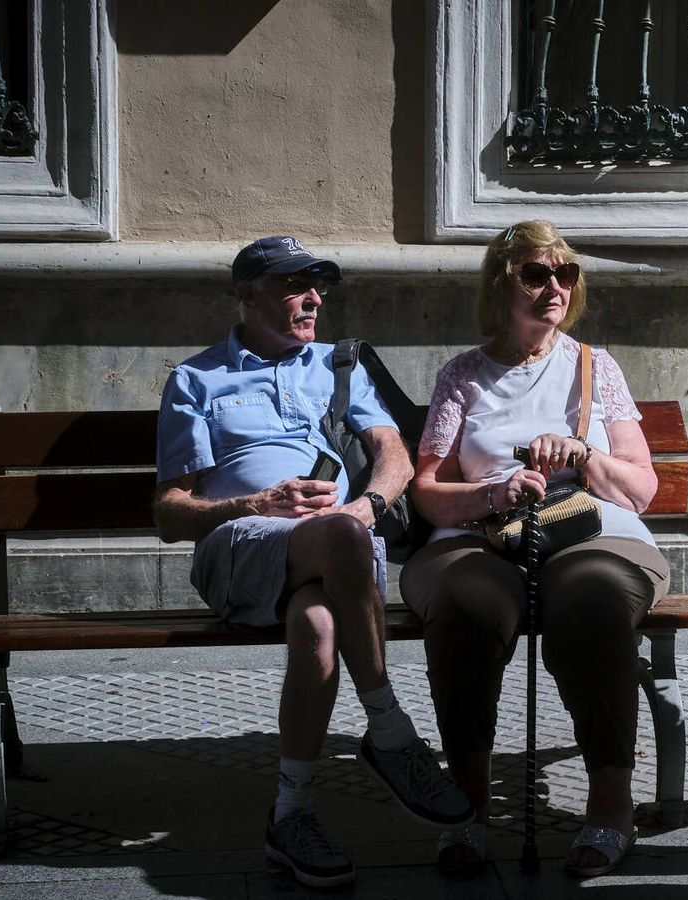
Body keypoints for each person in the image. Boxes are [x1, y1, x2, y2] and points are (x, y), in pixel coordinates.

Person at [152, 236, 471, 889]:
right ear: (247, 295)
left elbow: (395, 456)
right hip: (241, 544)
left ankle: (290, 815)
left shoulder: (336, 367)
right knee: (341, 543)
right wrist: (256, 501)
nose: (314, 299)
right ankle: (389, 729)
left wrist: (367, 507)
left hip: (338, 549)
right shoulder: (196, 379)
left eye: (318, 285)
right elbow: (168, 512)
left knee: (320, 629)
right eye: (295, 286)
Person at [400, 220, 670, 879]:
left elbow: (643, 487)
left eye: (565, 273)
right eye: (537, 274)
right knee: (466, 603)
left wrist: (584, 453)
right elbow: (427, 490)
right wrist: (492, 493)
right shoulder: (462, 375)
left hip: (592, 530)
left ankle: (611, 806)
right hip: (479, 537)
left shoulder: (593, 367)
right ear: (502, 284)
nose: (555, 287)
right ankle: (464, 806)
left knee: (592, 597)